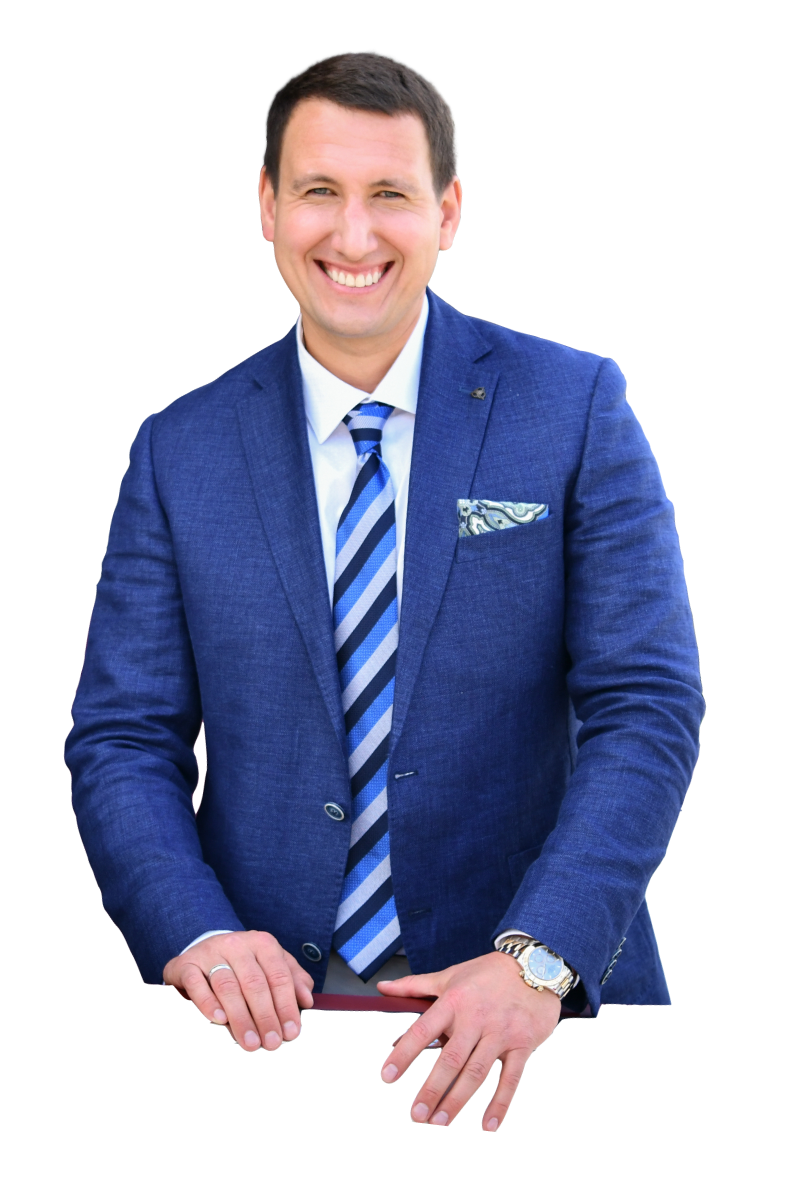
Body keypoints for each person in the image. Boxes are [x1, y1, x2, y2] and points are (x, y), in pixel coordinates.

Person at [65, 50, 704, 1130]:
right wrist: (193, 930)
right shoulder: (179, 448)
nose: (352, 236)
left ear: (447, 211)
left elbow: (647, 703)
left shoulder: (576, 405)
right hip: (258, 1016)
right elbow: (124, 735)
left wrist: (540, 956)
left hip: (529, 1013)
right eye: (319, 190)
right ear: (267, 207)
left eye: (390, 195)